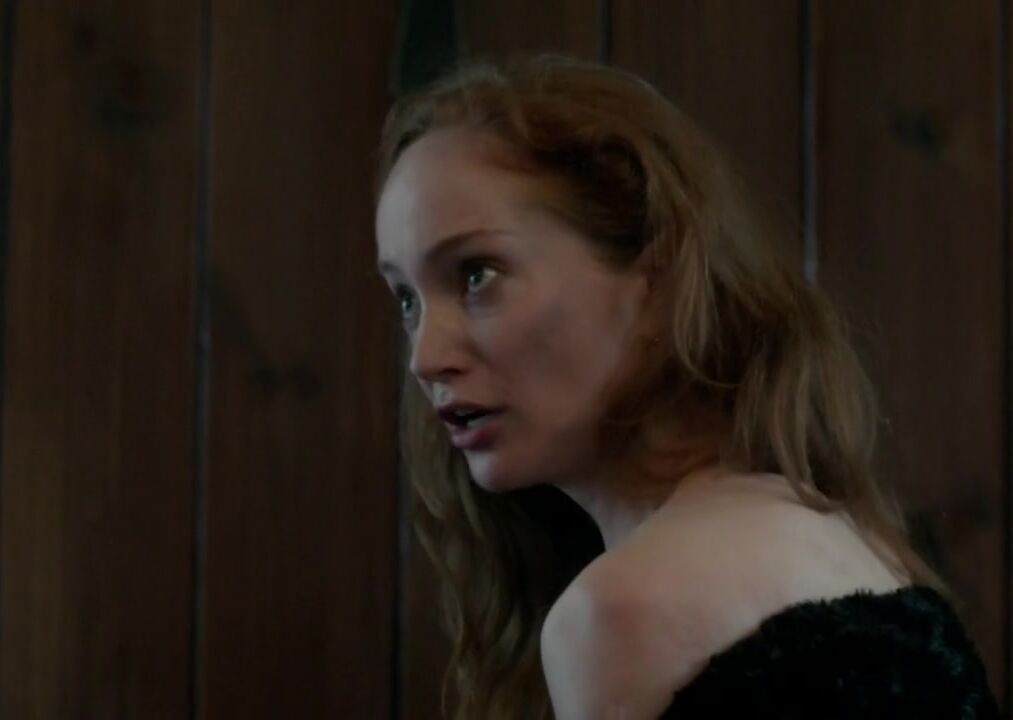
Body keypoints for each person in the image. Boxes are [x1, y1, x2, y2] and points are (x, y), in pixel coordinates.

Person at [373, 55, 1002, 719]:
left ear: (656, 277)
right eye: (406, 299)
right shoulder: (840, 533)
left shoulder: (625, 610)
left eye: (477, 275)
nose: (425, 358)